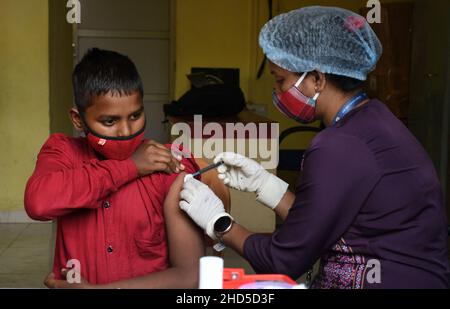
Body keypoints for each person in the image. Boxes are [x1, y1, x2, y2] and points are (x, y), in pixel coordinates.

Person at [177, 6, 450, 288]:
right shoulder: (373, 119)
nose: (277, 92)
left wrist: (219, 223)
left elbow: (284, 260)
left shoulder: (339, 145)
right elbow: (318, 222)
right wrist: (266, 186)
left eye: (280, 79)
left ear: (318, 78)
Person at [24, 48, 204, 288]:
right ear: (78, 120)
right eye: (109, 121)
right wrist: (129, 167)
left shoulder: (167, 164)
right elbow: (38, 203)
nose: (126, 132)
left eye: (135, 116)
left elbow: (189, 275)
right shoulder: (63, 152)